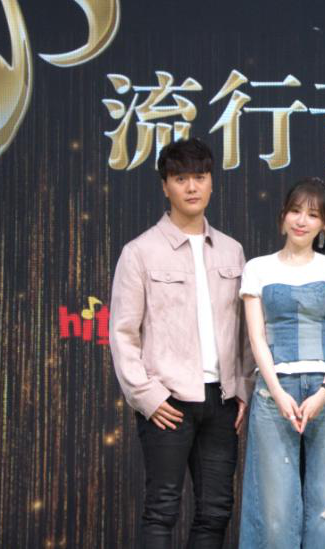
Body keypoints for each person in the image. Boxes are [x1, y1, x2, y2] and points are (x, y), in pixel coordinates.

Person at [109, 138, 253, 548]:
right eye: (181, 178)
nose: (192, 187)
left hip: (222, 401)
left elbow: (246, 330)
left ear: (211, 183)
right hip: (168, 401)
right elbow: (123, 333)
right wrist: (147, 396)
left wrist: (243, 387)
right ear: (165, 186)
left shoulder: (232, 251)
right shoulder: (140, 252)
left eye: (200, 177)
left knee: (216, 510)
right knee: (162, 509)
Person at [238, 178, 325, 548]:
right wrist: (277, 392)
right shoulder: (258, 268)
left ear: (324, 224)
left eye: (312, 214)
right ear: (283, 216)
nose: (301, 221)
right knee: (276, 510)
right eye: (295, 211)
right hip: (273, 393)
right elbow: (257, 338)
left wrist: (324, 392)